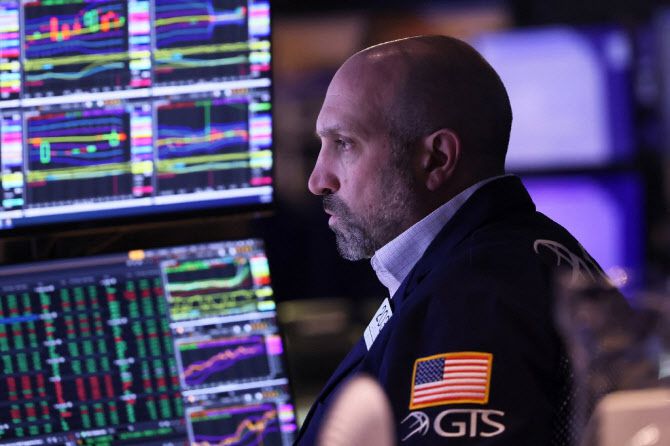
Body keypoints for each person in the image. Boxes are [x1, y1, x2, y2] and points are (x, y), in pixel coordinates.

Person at [296, 35, 608, 445]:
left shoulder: (474, 295)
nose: (318, 180)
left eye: (343, 144)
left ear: (438, 158)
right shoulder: (517, 247)